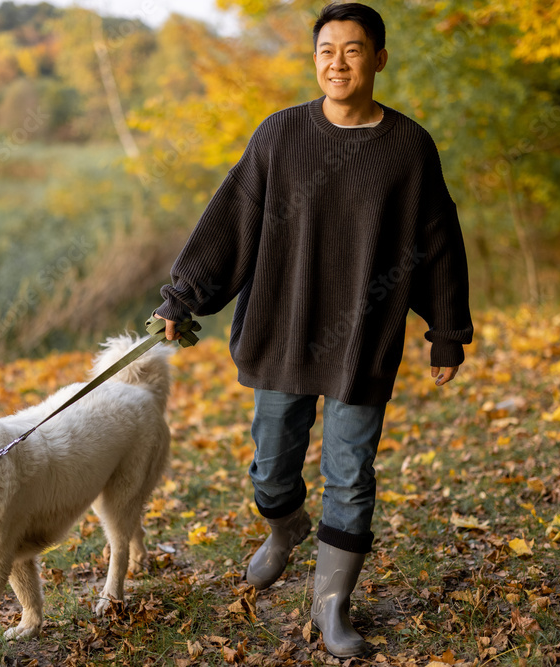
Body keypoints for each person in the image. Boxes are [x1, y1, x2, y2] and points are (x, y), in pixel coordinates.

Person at [153, 2, 473, 658]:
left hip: (364, 337)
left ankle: (333, 606)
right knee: (270, 468)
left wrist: (446, 331)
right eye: (327, 50)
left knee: (352, 472)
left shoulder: (409, 148)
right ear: (315, 58)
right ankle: (283, 528)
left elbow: (438, 243)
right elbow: (231, 223)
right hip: (283, 329)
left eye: (353, 51)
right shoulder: (278, 137)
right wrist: (181, 298)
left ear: (379, 59)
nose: (338, 63)